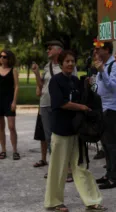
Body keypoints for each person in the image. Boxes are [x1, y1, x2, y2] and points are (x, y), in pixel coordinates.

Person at [44, 50, 107, 212]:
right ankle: (54, 202)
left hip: (77, 131)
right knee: (58, 168)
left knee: (81, 167)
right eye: (67, 61)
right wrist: (82, 107)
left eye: (72, 61)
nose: (71, 64)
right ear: (61, 63)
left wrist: (87, 86)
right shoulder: (55, 81)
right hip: (61, 131)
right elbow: (61, 103)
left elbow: (85, 97)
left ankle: (92, 200)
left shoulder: (75, 80)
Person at [32, 41, 74, 181]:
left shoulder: (67, 65)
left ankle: (68, 169)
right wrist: (37, 73)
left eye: (50, 49)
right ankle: (54, 168)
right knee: (50, 138)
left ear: (58, 50)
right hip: (44, 105)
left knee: (62, 137)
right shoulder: (47, 66)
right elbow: (41, 86)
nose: (47, 51)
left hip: (59, 106)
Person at [94, 41, 116, 189]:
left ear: (107, 50)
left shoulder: (114, 65)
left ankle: (114, 178)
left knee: (111, 144)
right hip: (102, 108)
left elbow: (112, 87)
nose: (96, 51)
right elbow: (100, 87)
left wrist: (101, 72)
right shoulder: (103, 66)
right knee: (105, 143)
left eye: (99, 49)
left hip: (111, 108)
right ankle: (108, 173)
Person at [0, 49, 19, 160]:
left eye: (4, 57)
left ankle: (15, 151)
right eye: (0, 56)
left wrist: (14, 101)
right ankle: (3, 150)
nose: (2, 58)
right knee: (1, 128)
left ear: (9, 58)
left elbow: (16, 86)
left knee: (11, 127)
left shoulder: (13, 70)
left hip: (9, 101)